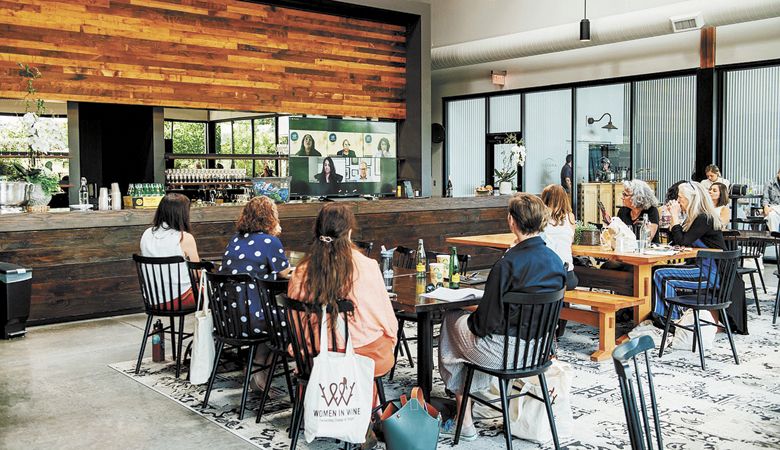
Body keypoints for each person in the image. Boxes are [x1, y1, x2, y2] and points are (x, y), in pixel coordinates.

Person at [438, 193, 566, 441]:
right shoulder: (555, 260)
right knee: (463, 337)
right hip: (538, 352)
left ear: (511, 221)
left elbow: (484, 326)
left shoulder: (507, 264)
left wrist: (468, 313)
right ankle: (469, 409)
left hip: (505, 354)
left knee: (451, 322)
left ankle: (465, 420)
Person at [287, 203, 398, 391]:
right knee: (383, 338)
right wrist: (392, 339)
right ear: (349, 233)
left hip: (315, 355)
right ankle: (366, 404)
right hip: (365, 357)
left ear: (317, 231)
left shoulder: (301, 272)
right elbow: (386, 319)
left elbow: (297, 325)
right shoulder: (367, 266)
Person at [221, 196, 291, 391]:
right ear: (270, 217)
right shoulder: (270, 241)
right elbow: (284, 273)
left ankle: (256, 368)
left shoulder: (235, 239)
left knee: (272, 316)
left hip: (228, 321)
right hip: (253, 320)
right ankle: (259, 368)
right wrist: (274, 236)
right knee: (292, 319)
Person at [652, 181, 726, 322]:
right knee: (656, 270)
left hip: (709, 273)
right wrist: (675, 219)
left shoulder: (704, 218)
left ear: (691, 199)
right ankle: (662, 316)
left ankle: (672, 319)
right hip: (700, 267)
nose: (678, 201)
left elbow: (683, 242)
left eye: (681, 198)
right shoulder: (694, 218)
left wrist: (674, 216)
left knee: (660, 274)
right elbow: (675, 241)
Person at [140, 193, 200, 309]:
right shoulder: (184, 237)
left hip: (153, 300)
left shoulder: (147, 234)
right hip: (180, 299)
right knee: (216, 292)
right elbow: (196, 274)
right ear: (182, 214)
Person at [540, 184, 578, 290]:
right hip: (568, 276)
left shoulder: (540, 217)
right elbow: (571, 239)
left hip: (546, 276)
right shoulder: (570, 217)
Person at [762, 168, 780, 232]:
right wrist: (766, 206)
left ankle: (774, 208)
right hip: (773, 211)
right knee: (772, 216)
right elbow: (765, 198)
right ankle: (775, 239)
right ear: (778, 174)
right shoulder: (769, 183)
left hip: (773, 208)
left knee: (773, 211)